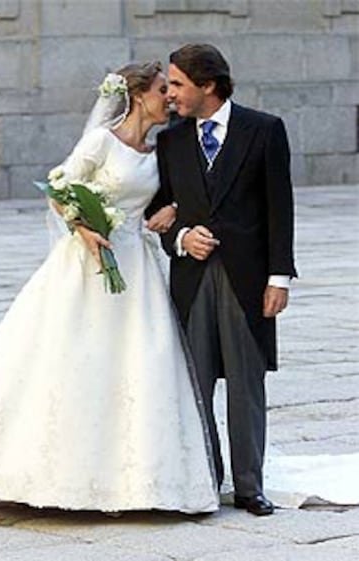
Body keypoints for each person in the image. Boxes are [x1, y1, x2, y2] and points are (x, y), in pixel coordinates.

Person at [0, 61, 219, 514]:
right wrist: (84, 229)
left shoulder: (161, 150)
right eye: (159, 90)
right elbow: (60, 187)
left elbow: (164, 199)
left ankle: (139, 480)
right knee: (75, 354)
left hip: (136, 266)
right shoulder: (100, 142)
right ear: (135, 96)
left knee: (140, 359)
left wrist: (169, 209)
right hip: (87, 262)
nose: (168, 98)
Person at [148, 44, 297, 516]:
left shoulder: (264, 130)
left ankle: (250, 486)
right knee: (195, 384)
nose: (169, 94)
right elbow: (156, 209)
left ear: (207, 85)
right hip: (191, 280)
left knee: (246, 384)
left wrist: (279, 278)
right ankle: (206, 480)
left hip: (248, 279)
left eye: (177, 84)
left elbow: (280, 210)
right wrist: (183, 235)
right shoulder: (171, 141)